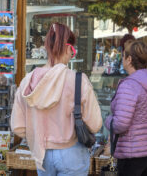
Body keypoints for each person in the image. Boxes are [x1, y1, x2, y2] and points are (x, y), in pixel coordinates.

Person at [11, 22, 102, 176]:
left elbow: (18, 127)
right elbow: (95, 124)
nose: (72, 53)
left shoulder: (28, 81)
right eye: (73, 50)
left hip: (42, 155)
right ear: (68, 48)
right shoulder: (78, 81)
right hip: (72, 152)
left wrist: (37, 133)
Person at [105, 40, 147, 176]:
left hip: (132, 153)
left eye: (123, 56)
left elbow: (120, 124)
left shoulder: (129, 85)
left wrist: (108, 120)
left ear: (129, 60)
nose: (122, 59)